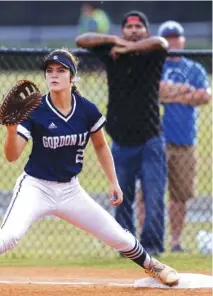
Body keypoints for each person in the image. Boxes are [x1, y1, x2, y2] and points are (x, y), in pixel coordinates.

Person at [0, 48, 179, 294]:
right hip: (36, 187)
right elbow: (12, 155)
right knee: (8, 236)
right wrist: (11, 130)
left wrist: (113, 181)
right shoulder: (35, 109)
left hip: (70, 191)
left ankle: (154, 266)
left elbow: (101, 145)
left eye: (61, 70)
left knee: (118, 236)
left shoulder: (86, 110)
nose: (54, 75)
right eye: (49, 70)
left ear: (73, 77)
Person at [75, 11, 168, 256]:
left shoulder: (153, 53)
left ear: (146, 31)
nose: (134, 30)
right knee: (121, 197)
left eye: (139, 27)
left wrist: (126, 48)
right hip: (120, 139)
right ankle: (129, 248)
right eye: (129, 26)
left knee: (154, 196)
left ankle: (153, 248)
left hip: (150, 137)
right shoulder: (111, 52)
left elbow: (162, 42)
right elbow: (82, 39)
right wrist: (116, 43)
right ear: (122, 30)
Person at [157, 21, 211, 252]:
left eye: (176, 37)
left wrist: (170, 92)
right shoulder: (154, 65)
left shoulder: (194, 68)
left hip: (186, 140)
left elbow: (204, 96)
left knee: (180, 195)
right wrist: (186, 91)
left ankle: (175, 242)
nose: (172, 41)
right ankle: (148, 242)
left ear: (183, 40)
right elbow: (155, 91)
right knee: (148, 193)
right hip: (156, 139)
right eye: (167, 38)